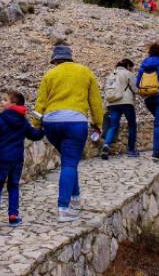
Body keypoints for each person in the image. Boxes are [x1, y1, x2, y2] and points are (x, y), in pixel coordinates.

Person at [34, 45, 103, 222]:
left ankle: (75, 199)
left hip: (51, 123)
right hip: (75, 122)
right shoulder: (85, 72)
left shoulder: (50, 75)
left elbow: (40, 103)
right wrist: (98, 124)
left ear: (55, 60)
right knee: (70, 164)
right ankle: (63, 208)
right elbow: (95, 102)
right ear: (70, 58)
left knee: (68, 161)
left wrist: (36, 125)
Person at [0, 90, 44, 230]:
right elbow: (34, 135)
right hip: (17, 159)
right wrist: (42, 128)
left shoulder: (0, 119)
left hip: (2, 157)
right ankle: (13, 217)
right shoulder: (23, 121)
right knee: (13, 185)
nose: (2, 102)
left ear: (13, 104)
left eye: (5, 100)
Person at [100, 59, 139, 159]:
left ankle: (106, 145)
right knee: (132, 125)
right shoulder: (128, 73)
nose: (132, 69)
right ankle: (131, 150)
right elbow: (135, 89)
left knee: (113, 126)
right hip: (126, 102)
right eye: (131, 67)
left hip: (112, 103)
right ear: (127, 65)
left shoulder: (111, 75)